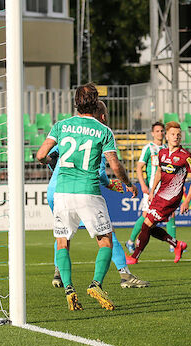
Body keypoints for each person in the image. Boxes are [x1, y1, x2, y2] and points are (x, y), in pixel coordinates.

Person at [36, 83, 138, 311]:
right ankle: (96, 284)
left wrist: (50, 161)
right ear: (95, 103)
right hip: (88, 191)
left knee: (62, 242)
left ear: (76, 102)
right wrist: (128, 183)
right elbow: (115, 165)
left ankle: (69, 289)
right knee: (105, 240)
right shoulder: (103, 130)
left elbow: (41, 155)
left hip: (62, 192)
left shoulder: (61, 125)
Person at [49, 102, 149, 290]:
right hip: (81, 190)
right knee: (106, 235)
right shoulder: (98, 135)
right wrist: (120, 185)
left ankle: (59, 274)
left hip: (56, 190)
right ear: (101, 116)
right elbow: (101, 175)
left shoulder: (66, 129)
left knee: (62, 237)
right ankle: (124, 274)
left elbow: (47, 157)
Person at [126, 121, 191, 264]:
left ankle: (134, 256)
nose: (176, 137)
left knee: (146, 225)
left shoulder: (186, 156)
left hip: (171, 198)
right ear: (167, 136)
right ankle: (177, 244)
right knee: (150, 228)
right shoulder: (162, 153)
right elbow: (159, 171)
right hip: (159, 194)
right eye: (172, 134)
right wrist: (152, 190)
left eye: (178, 134)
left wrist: (187, 200)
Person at [125, 122, 178, 252]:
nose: (160, 133)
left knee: (171, 214)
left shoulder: (167, 148)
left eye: (162, 131)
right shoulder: (149, 148)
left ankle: (174, 245)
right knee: (146, 216)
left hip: (165, 189)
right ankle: (130, 241)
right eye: (158, 131)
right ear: (153, 133)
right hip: (152, 190)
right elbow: (139, 167)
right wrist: (143, 184)